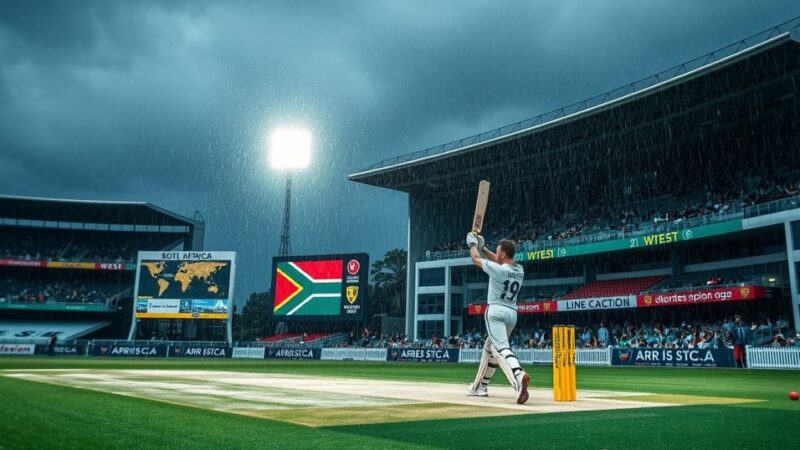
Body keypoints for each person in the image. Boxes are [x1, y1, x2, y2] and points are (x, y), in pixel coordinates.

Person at [465, 232, 530, 404]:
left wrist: (473, 245)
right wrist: (483, 247)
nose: (496, 253)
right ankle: (480, 386)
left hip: (495, 312)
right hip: (512, 314)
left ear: (502, 253)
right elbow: (497, 261)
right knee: (490, 348)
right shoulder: (519, 270)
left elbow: (475, 260)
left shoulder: (499, 270)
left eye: (497, 251)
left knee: (501, 349)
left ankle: (518, 375)